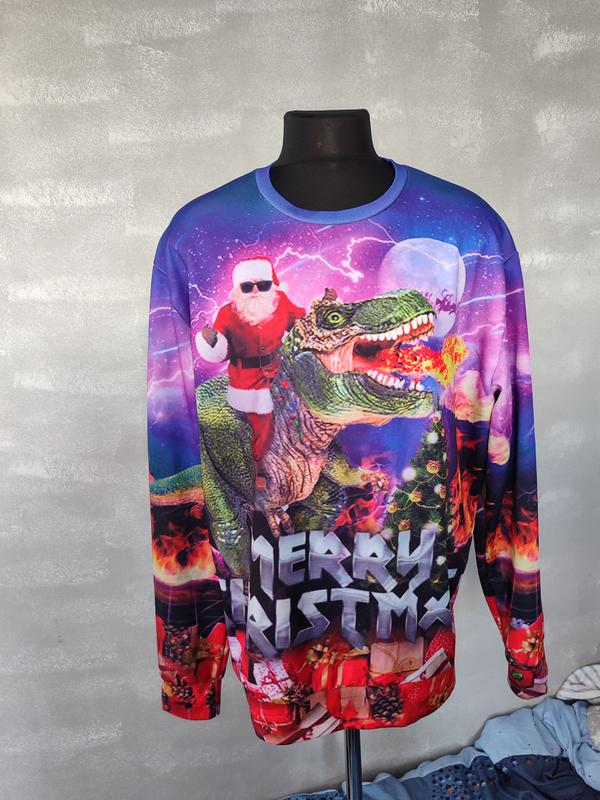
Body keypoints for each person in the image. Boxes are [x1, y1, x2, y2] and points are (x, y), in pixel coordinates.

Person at [195, 256, 306, 489]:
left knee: (290, 419)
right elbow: (221, 352)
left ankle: (285, 462)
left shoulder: (281, 303)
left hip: (278, 373)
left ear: (271, 285)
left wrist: (325, 311)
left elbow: (300, 323)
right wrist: (211, 342)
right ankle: (256, 470)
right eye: (247, 287)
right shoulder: (227, 313)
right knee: (261, 424)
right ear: (238, 289)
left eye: (263, 285)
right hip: (246, 379)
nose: (255, 291)